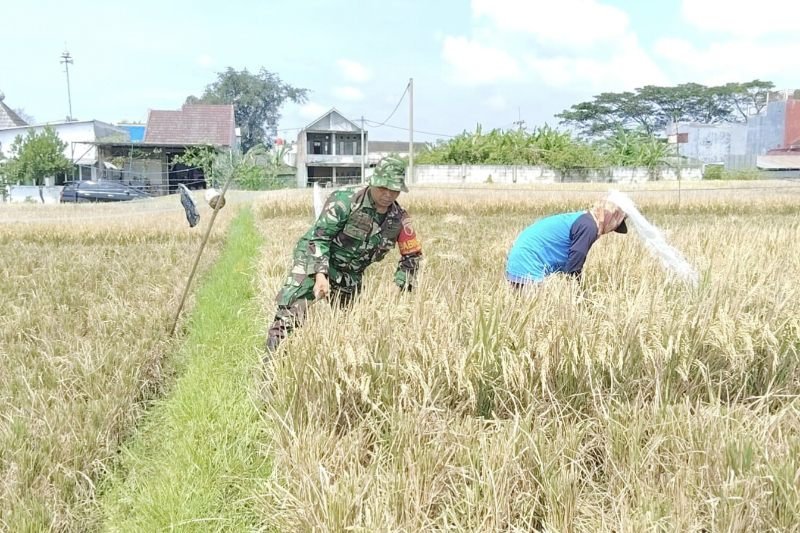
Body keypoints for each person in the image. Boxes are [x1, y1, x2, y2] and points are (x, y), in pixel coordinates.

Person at [266, 156, 423, 351]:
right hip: (316, 258)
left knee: (347, 327)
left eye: (394, 189)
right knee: (291, 312)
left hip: (350, 274)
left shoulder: (399, 220)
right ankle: (271, 365)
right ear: (373, 182)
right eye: (383, 187)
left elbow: (413, 255)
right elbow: (319, 238)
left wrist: (399, 286)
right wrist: (320, 275)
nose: (388, 194)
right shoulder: (345, 201)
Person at [505, 195, 628, 287]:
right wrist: (579, 292)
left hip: (518, 264)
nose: (612, 230)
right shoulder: (589, 227)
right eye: (615, 226)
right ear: (610, 217)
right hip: (528, 267)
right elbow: (574, 265)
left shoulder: (583, 219)